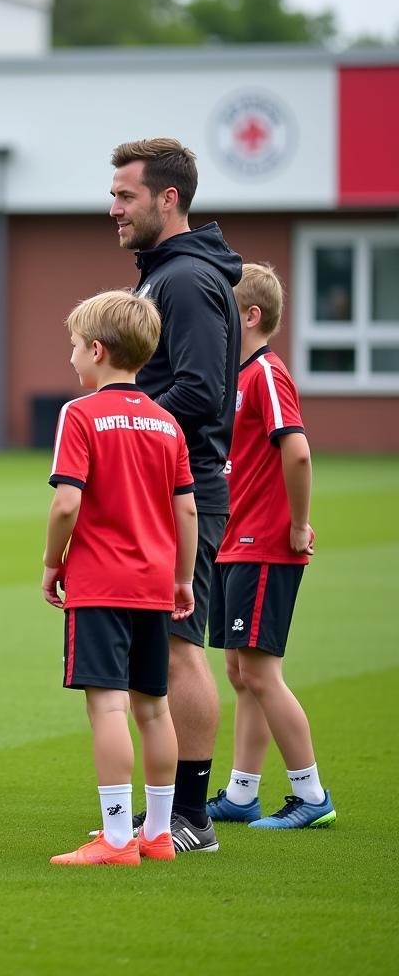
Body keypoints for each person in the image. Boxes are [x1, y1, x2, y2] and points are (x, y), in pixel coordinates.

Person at [109, 137, 242, 853]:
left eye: (126, 195)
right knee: (160, 652)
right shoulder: (162, 275)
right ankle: (167, 811)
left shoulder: (184, 280)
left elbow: (199, 391)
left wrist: (116, 418)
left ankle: (192, 815)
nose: (113, 208)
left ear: (168, 199)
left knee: (182, 649)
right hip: (158, 489)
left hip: (182, 491)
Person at [44, 290, 198, 865]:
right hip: (155, 585)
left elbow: (65, 505)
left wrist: (51, 562)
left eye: (75, 347)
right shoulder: (167, 423)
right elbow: (187, 509)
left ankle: (113, 839)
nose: (72, 358)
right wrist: (183, 578)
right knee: (154, 708)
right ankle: (158, 834)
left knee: (108, 708)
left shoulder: (79, 415)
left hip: (100, 586)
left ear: (99, 350)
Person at [206, 264, 337, 830]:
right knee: (241, 671)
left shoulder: (266, 372)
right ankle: (241, 794)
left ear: (250, 316)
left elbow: (299, 450)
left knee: (261, 672)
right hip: (235, 543)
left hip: (263, 543)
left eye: (223, 312)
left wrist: (298, 524)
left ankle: (312, 796)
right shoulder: (234, 377)